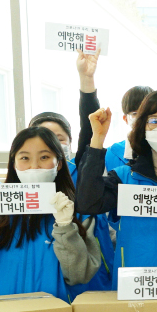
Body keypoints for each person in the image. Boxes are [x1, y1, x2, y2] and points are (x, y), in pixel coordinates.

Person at [76, 90, 157, 283]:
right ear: (142, 128)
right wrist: (97, 138)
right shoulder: (124, 178)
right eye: (154, 121)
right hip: (135, 288)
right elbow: (87, 202)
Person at [0, 127, 101, 300]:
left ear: (59, 163)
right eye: (25, 158)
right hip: (0, 311)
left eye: (44, 157)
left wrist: (65, 228)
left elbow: (79, 275)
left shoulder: (78, 212)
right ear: (14, 163)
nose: (34, 166)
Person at [28, 101, 115, 296]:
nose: (52, 144)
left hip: (91, 273)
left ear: (69, 142)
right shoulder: (21, 184)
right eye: (44, 138)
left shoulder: (84, 174)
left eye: (59, 138)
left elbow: (90, 138)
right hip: (44, 277)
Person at [105, 82, 153, 172]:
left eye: (148, 113)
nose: (142, 118)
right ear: (125, 119)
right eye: (135, 114)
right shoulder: (111, 154)